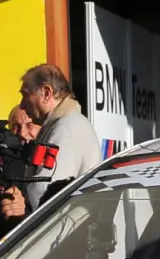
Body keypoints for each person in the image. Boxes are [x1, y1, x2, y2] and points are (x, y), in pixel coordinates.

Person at [19, 63, 100, 207]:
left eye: (25, 95)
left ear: (46, 93)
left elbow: (45, 190)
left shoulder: (65, 128)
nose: (22, 105)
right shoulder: (66, 123)